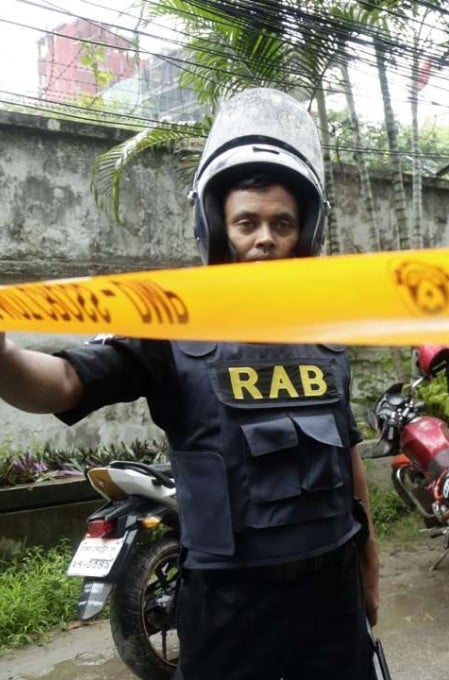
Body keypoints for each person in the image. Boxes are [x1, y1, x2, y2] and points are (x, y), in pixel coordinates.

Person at [0, 88, 379, 679]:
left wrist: (369, 566)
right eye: (247, 222)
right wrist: (3, 355)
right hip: (230, 604)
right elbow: (62, 382)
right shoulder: (170, 324)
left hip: (332, 595)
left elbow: (347, 457)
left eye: (283, 223)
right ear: (218, 229)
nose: (265, 238)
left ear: (304, 232)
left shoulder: (325, 334)